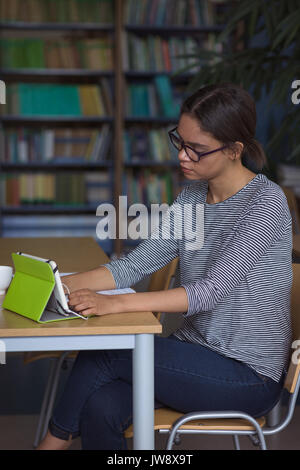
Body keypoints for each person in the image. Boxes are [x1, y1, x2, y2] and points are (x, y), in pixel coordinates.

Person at [38, 83, 292, 450]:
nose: (183, 157)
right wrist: (56, 281)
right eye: (180, 141)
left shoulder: (266, 202)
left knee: (108, 349)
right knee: (100, 406)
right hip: (194, 352)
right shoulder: (193, 194)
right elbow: (139, 262)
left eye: (197, 149)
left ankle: (47, 447)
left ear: (235, 150)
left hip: (247, 375)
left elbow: (210, 291)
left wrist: (115, 303)